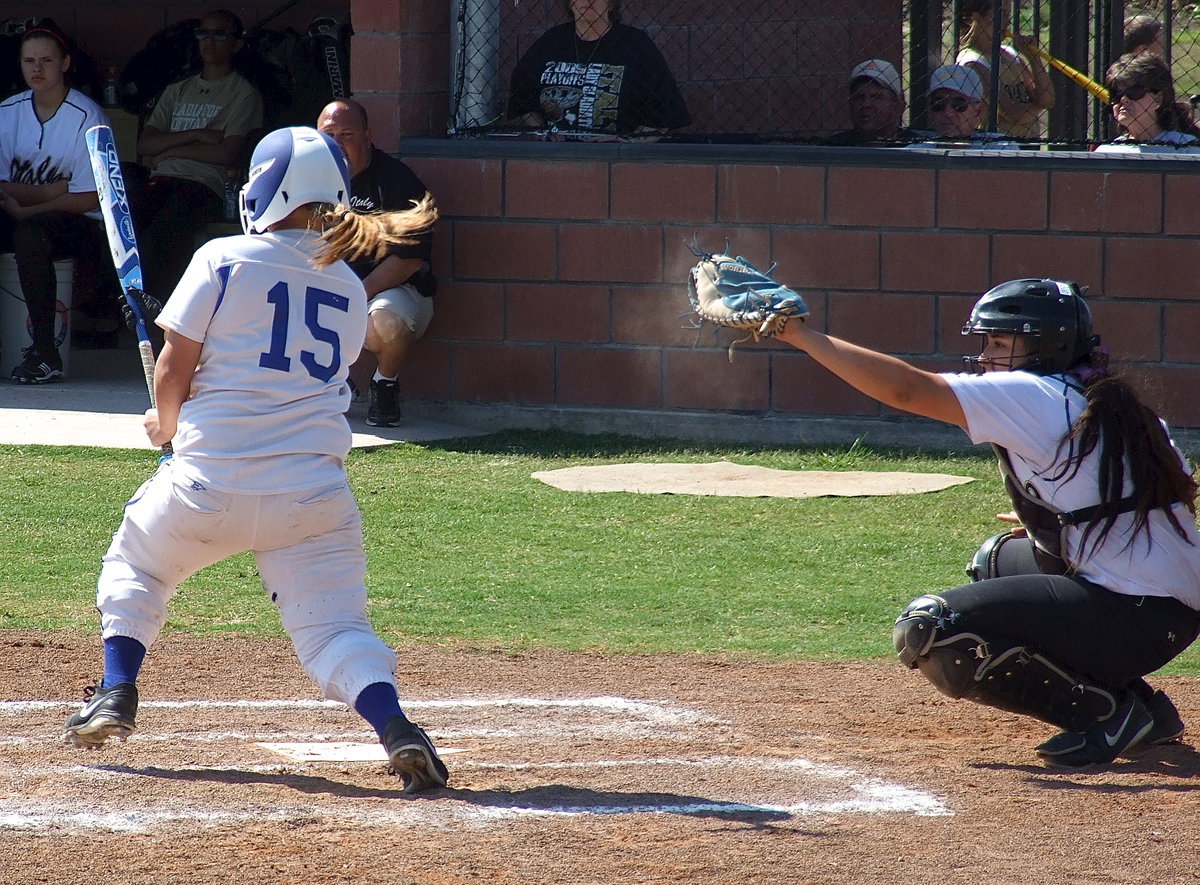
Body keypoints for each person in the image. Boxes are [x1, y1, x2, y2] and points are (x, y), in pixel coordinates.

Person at [61, 126, 450, 794]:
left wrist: (166, 423)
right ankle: (396, 728)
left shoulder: (223, 257)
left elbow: (177, 368)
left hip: (210, 481)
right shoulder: (351, 289)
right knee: (335, 628)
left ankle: (117, 689)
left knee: (138, 566)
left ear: (270, 189)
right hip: (313, 494)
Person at [772, 278, 1200, 767]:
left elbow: (905, 389)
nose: (988, 354)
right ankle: (1148, 712)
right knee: (997, 561)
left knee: (931, 628)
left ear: (1043, 346)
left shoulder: (1036, 394)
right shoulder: (1102, 401)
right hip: (1165, 609)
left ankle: (1108, 713)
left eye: (1000, 341)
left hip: (1136, 614)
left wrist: (798, 334)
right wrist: (1058, 524)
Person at [0, 25, 110, 384]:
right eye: (29, 61)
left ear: (65, 63)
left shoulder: (86, 116)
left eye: (47, 60)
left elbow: (89, 197)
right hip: (30, 210)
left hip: (77, 225)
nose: (37, 68)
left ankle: (46, 354)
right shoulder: (7, 111)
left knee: (32, 236)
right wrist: (47, 194)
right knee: (25, 231)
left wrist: (28, 207)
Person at [317, 99, 436, 427]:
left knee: (384, 323)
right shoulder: (307, 182)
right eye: (329, 135)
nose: (338, 144)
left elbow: (409, 260)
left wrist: (352, 296)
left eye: (347, 134)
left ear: (368, 136)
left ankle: (385, 383)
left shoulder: (397, 181)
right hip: (328, 292)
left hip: (393, 292)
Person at [135, 9, 264, 299]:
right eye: (203, 33)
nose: (209, 41)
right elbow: (144, 145)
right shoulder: (177, 90)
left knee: (164, 233)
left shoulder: (243, 93)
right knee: (127, 226)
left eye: (220, 34)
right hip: (161, 180)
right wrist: (195, 135)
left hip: (204, 186)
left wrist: (171, 149)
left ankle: (161, 310)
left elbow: (227, 152)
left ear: (237, 43)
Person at [507, 0, 690, 138]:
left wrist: (626, 143)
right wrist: (543, 133)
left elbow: (665, 113)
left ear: (611, 4)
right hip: (558, 155)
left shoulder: (635, 44)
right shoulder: (551, 42)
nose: (588, 0)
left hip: (615, 157)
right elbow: (522, 98)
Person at [956, 0, 1055, 140]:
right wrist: (1039, 105)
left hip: (1029, 144)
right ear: (977, 18)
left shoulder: (1009, 54)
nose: (1007, 22)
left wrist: (1033, 58)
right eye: (1001, 14)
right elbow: (1014, 113)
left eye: (1008, 15)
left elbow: (1047, 98)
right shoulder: (971, 62)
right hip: (1000, 148)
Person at [1094, 52, 1200, 153]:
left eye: (1133, 92)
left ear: (1158, 98)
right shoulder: (1106, 152)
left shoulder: (1186, 147)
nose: (1123, 99)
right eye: (1116, 94)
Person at [906, 65, 1019, 150]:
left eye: (958, 104)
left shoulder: (1000, 148)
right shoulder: (914, 154)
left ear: (979, 111)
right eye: (939, 103)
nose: (948, 112)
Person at [824, 59, 927, 146]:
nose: (866, 104)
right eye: (859, 97)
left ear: (898, 106)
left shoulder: (916, 146)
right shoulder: (833, 148)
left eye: (876, 97)